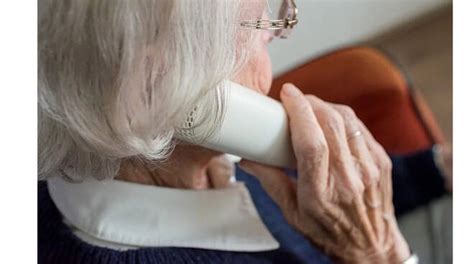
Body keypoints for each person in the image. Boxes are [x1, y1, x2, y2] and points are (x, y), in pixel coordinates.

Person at [38, 0, 429, 263]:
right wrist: (379, 251)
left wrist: (434, 168)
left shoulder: (203, 155)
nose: (277, 32)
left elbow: (325, 191)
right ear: (163, 87)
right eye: (264, 26)